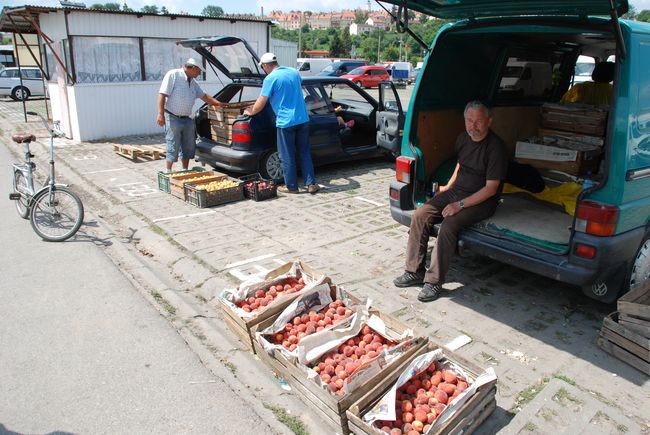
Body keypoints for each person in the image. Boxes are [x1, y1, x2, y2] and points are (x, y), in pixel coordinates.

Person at [393, 101, 508, 302]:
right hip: (457, 192)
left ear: (489, 121)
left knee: (449, 225)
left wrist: (459, 205)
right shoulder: (464, 138)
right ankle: (413, 271)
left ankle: (434, 282)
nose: (473, 126)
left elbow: (491, 188)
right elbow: (460, 164)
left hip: (482, 200)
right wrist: (447, 187)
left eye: (478, 121)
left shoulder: (496, 147)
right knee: (420, 214)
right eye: (469, 121)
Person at [244, 53, 318, 194]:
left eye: (263, 67)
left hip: (286, 122)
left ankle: (291, 186)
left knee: (287, 155)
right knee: (304, 152)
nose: (264, 70)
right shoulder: (294, 72)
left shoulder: (270, 78)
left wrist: (250, 112)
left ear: (266, 65)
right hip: (302, 119)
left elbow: (261, 102)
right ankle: (311, 183)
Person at [157, 58, 223, 173]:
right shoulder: (173, 75)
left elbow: (204, 96)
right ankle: (168, 171)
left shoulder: (193, 82)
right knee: (173, 144)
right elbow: (162, 95)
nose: (199, 73)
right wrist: (160, 114)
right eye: (199, 71)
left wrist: (219, 103)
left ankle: (185, 170)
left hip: (187, 119)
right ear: (193, 68)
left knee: (188, 145)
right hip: (172, 117)